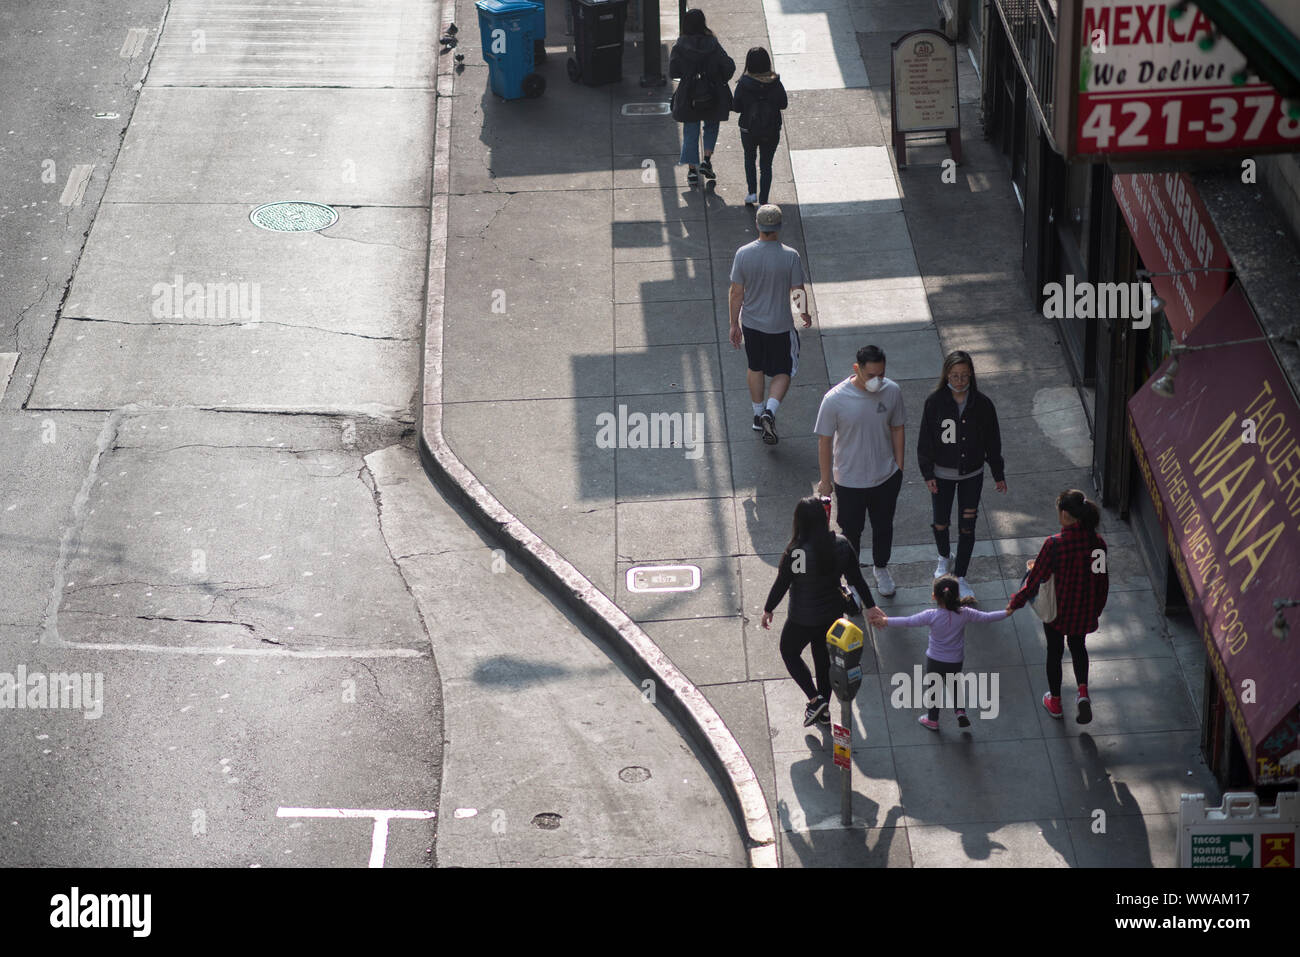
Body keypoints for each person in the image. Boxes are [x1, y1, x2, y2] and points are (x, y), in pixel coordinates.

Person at [762, 496, 877, 727]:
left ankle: (815, 701)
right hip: (832, 617)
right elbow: (857, 580)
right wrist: (871, 606)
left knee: (789, 651)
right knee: (823, 661)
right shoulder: (842, 545)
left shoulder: (798, 553)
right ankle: (823, 711)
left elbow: (783, 583)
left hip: (802, 618)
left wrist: (769, 609)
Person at [1006, 489, 1109, 724]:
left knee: (1054, 653)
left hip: (1058, 611)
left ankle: (1055, 701)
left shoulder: (1054, 544)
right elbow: (1102, 580)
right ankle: (1082, 692)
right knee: (1078, 647)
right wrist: (1096, 610)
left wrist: (1015, 602)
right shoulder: (1098, 545)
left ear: (1064, 514)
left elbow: (1034, 582)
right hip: (1083, 611)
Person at [814, 344, 905, 597]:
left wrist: (899, 466)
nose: (877, 381)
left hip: (885, 477)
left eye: (881, 375)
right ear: (857, 369)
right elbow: (824, 440)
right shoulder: (835, 399)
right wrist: (825, 480)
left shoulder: (892, 392)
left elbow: (898, 427)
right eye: (871, 375)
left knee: (883, 526)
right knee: (851, 532)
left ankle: (881, 568)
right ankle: (852, 578)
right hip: (850, 481)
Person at [916, 350, 1007, 602]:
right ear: (946, 374)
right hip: (941, 475)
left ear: (971, 376)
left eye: (964, 376)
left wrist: (998, 473)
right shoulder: (934, 402)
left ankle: (961, 576)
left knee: (967, 527)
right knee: (940, 522)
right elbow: (925, 440)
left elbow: (993, 441)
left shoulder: (983, 404)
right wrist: (927, 473)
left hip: (972, 476)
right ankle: (944, 557)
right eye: (954, 375)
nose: (959, 381)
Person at [868, 577, 1011, 730]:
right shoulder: (965, 613)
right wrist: (1008, 611)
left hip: (935, 660)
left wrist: (885, 620)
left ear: (934, 596)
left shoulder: (931, 615)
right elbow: (987, 617)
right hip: (955, 660)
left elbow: (908, 621)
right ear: (957, 595)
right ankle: (960, 711)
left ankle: (932, 720)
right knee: (954, 685)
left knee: (934, 691)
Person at [728, 204, 812, 446]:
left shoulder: (743, 254)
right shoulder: (790, 256)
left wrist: (735, 324)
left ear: (757, 225)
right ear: (779, 226)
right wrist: (804, 313)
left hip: (752, 324)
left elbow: (736, 293)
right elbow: (798, 291)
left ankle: (757, 413)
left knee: (755, 367)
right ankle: (770, 411)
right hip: (780, 326)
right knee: (783, 370)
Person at [669, 9, 735, 188]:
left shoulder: (680, 45)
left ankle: (692, 171)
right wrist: (716, 78)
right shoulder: (712, 43)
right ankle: (706, 159)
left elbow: (673, 71)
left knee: (690, 130)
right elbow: (729, 66)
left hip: (689, 94)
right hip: (712, 91)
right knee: (711, 125)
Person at [730, 46, 787, 206]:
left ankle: (752, 193)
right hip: (771, 129)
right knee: (766, 164)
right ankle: (764, 200)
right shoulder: (775, 82)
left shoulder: (744, 84)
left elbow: (737, 107)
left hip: (748, 129)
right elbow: (783, 104)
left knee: (749, 158)